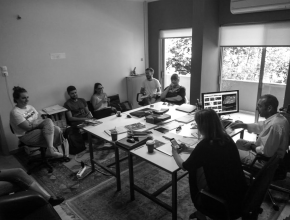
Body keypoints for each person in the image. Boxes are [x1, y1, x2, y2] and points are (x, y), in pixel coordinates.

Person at [172, 109, 247, 219]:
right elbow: (209, 152)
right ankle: (201, 212)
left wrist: (174, 152)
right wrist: (188, 149)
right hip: (239, 194)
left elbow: (184, 166)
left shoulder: (205, 144)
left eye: (197, 124)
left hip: (222, 202)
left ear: (202, 126)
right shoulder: (226, 138)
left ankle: (201, 209)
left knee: (193, 171)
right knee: (198, 165)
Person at [231, 94, 290, 167]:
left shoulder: (274, 126)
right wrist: (244, 125)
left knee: (231, 151)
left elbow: (266, 152)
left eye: (259, 106)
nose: (256, 108)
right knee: (239, 142)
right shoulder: (278, 118)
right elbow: (261, 126)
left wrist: (252, 146)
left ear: (269, 108)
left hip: (263, 161)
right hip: (267, 153)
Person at [10, 86, 63, 158]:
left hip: (36, 128)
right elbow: (27, 128)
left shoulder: (30, 107)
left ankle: (50, 149)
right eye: (23, 98)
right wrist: (37, 123)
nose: (27, 100)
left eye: (27, 97)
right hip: (26, 134)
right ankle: (51, 149)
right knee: (55, 129)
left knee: (52, 124)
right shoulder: (15, 112)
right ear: (16, 99)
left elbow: (39, 120)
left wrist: (33, 123)